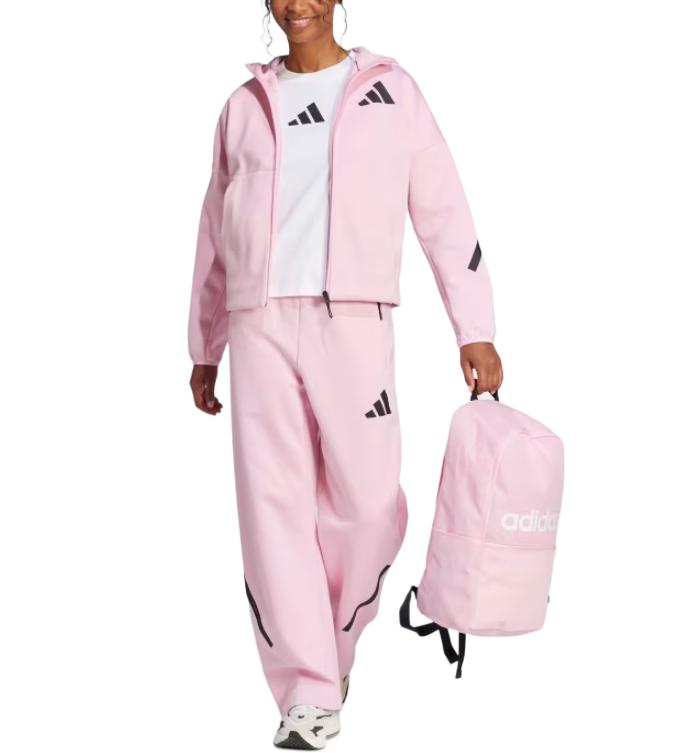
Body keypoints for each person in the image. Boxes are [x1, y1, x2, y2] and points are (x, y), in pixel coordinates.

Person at [187, 1, 503, 748]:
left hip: (354, 321)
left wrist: (475, 326)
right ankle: (307, 691)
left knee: (368, 506)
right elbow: (214, 232)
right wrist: (205, 343)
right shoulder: (243, 105)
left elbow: (443, 209)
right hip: (259, 324)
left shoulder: (391, 89)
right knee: (274, 513)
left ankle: (331, 650)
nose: (297, 5)